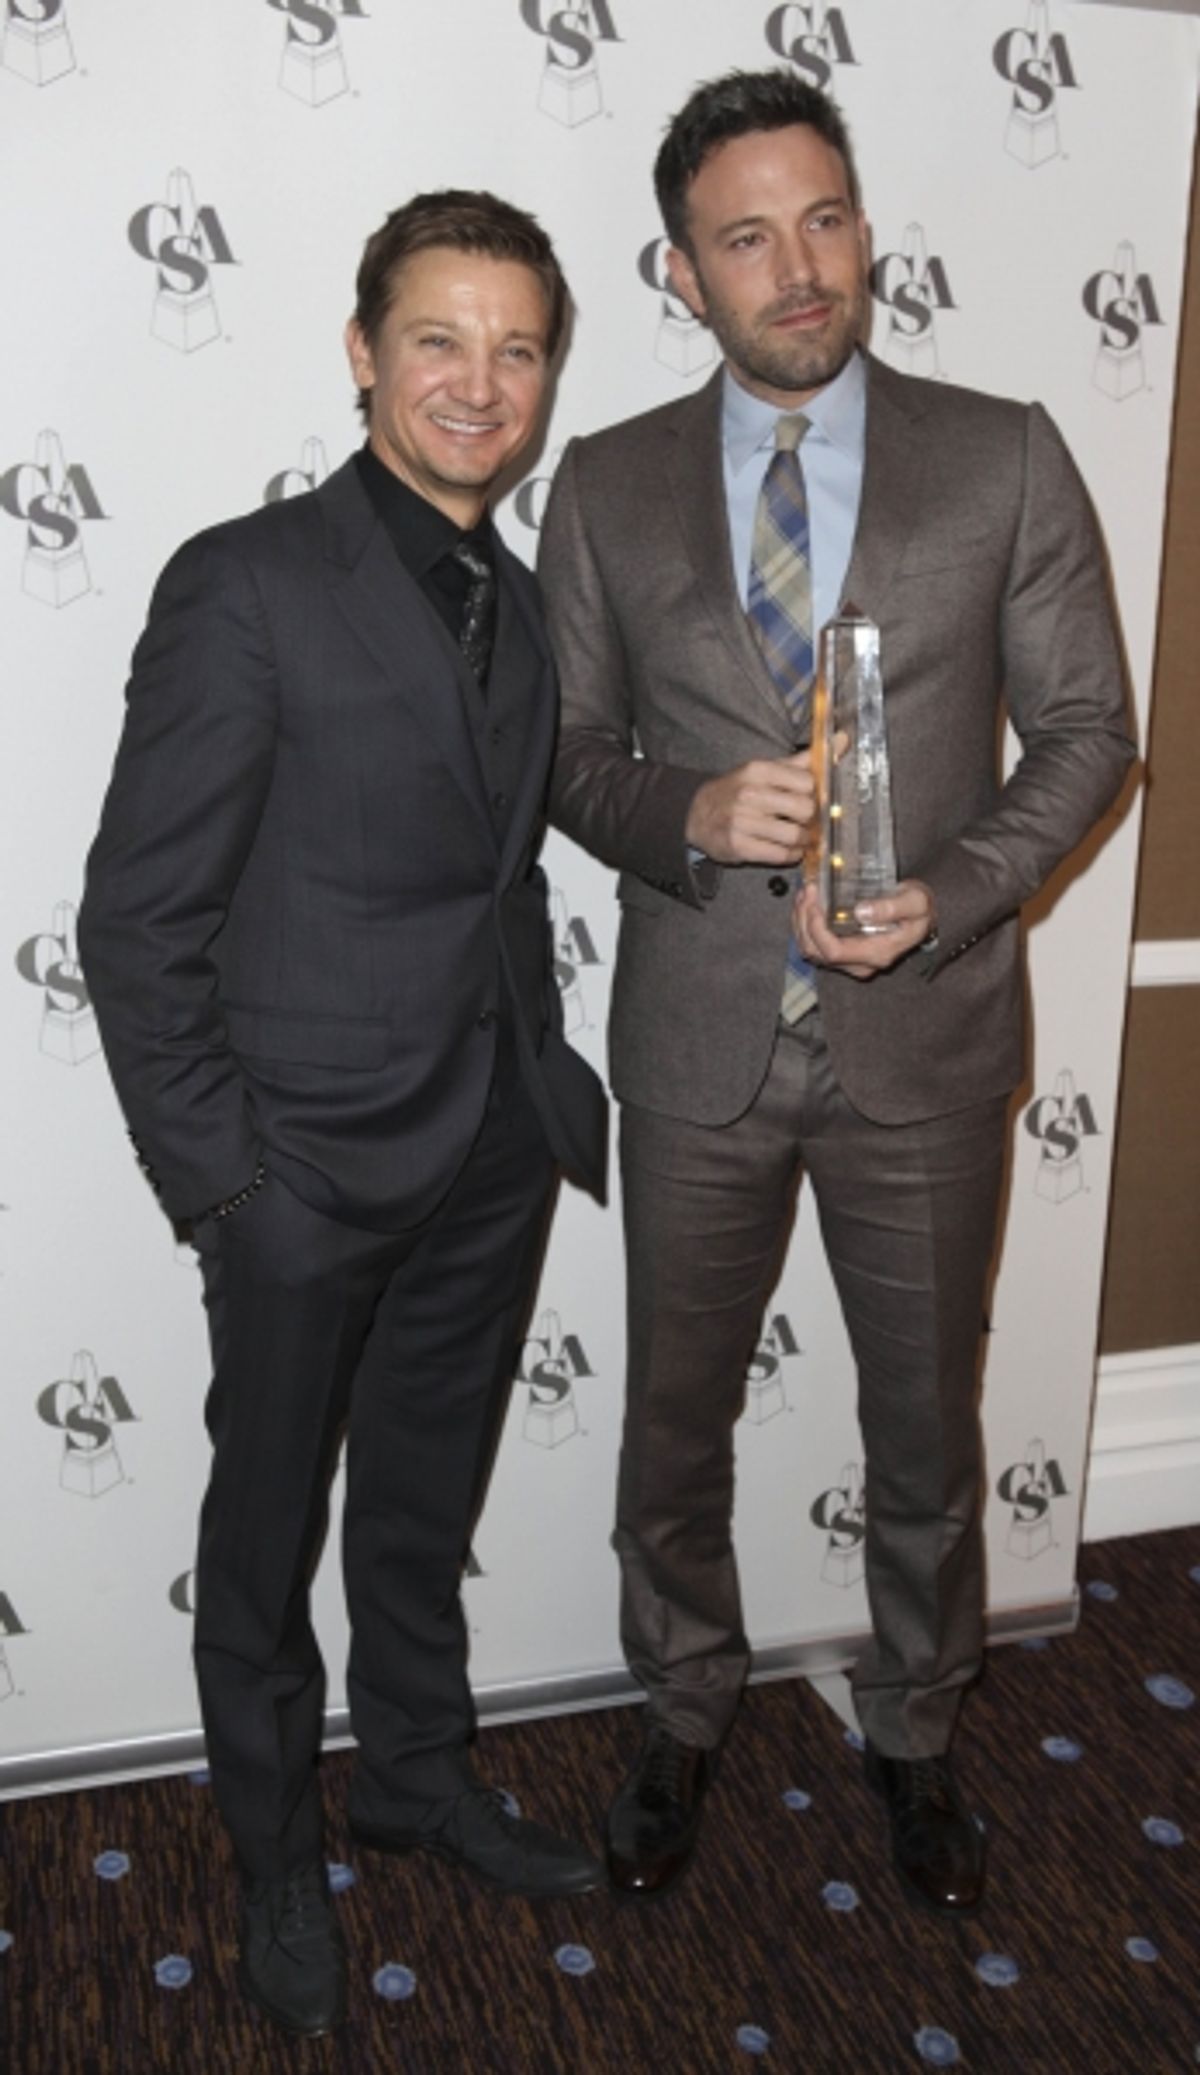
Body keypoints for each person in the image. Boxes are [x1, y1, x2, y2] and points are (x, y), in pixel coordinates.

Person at [538, 70, 1134, 1915]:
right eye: (746, 237)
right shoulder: (610, 481)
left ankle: (921, 1730)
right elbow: (561, 755)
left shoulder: (1005, 451)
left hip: (928, 1041)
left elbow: (1092, 735)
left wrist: (951, 896)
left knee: (922, 1429)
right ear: (680, 269)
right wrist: (689, 811)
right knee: (672, 1418)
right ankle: (683, 1708)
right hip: (700, 1046)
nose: (798, 269)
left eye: (825, 219)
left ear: (863, 225)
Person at [80, 189, 608, 2039]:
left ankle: (414, 1773)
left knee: (417, 1503)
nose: (479, 383)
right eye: (440, 339)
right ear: (366, 349)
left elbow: (503, 849)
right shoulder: (248, 581)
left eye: (517, 345)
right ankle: (273, 1850)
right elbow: (137, 921)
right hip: (300, 1166)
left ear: (548, 369)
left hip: (488, 1144)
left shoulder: (520, 594)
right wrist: (231, 1188)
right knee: (263, 1529)